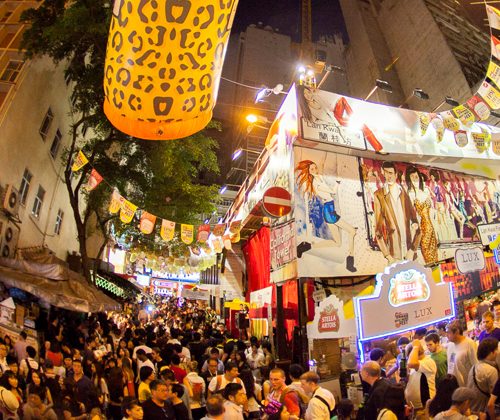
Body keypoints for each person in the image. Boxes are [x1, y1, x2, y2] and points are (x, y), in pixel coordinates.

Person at [294, 159, 358, 272]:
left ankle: (306, 246)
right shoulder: (316, 183)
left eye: (315, 168)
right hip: (329, 210)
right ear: (309, 172)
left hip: (329, 209)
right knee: (352, 231)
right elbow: (332, 192)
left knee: (337, 243)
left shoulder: (320, 178)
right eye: (312, 169)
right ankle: (350, 260)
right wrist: (338, 182)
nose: (315, 170)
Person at [373, 161, 421, 264]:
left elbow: (416, 223)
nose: (388, 176)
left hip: (410, 253)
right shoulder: (379, 195)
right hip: (394, 255)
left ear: (395, 174)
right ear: (382, 172)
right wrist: (388, 256)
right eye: (386, 173)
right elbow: (378, 230)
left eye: (391, 173)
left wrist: (412, 250)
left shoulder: (404, 192)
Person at [466, 337, 498, 415]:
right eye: (496, 349)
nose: (498, 352)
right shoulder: (491, 370)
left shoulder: (474, 367)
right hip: (484, 411)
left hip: (473, 409)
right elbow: (495, 396)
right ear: (491, 353)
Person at [405, 339, 437, 416]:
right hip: (414, 407)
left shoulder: (428, 362)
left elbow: (411, 363)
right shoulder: (418, 363)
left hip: (424, 406)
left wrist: (415, 347)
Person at [446, 320, 477, 386]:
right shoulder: (450, 345)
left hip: (469, 384)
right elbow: (451, 364)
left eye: (448, 332)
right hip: (455, 385)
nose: (446, 335)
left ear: (457, 332)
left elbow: (476, 365)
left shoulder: (469, 344)